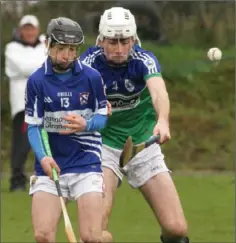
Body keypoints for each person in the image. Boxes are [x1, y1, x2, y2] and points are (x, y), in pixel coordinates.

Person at [62, 7, 190, 243]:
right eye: (113, 41)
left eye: (124, 41)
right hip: (102, 147)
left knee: (177, 229)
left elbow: (158, 91)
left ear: (134, 39)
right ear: (101, 40)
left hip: (143, 144)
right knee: (94, 233)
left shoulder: (144, 59)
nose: (119, 49)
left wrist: (162, 120)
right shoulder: (88, 63)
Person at [25, 17, 109, 243]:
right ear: (48, 45)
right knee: (42, 236)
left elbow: (102, 117)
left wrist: (86, 124)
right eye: (61, 48)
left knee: (91, 237)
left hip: (86, 162)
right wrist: (43, 158)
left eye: (72, 49)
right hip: (51, 165)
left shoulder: (91, 77)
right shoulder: (37, 81)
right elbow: (33, 126)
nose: (66, 55)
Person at [5, 15, 46, 191]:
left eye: (32, 28)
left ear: (37, 30)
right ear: (21, 30)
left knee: (48, 140)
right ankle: (17, 180)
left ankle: (48, 177)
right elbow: (23, 67)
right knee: (22, 142)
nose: (29, 32)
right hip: (22, 104)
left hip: (45, 100)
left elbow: (50, 64)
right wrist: (41, 64)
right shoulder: (11, 48)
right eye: (26, 29)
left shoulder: (46, 44)